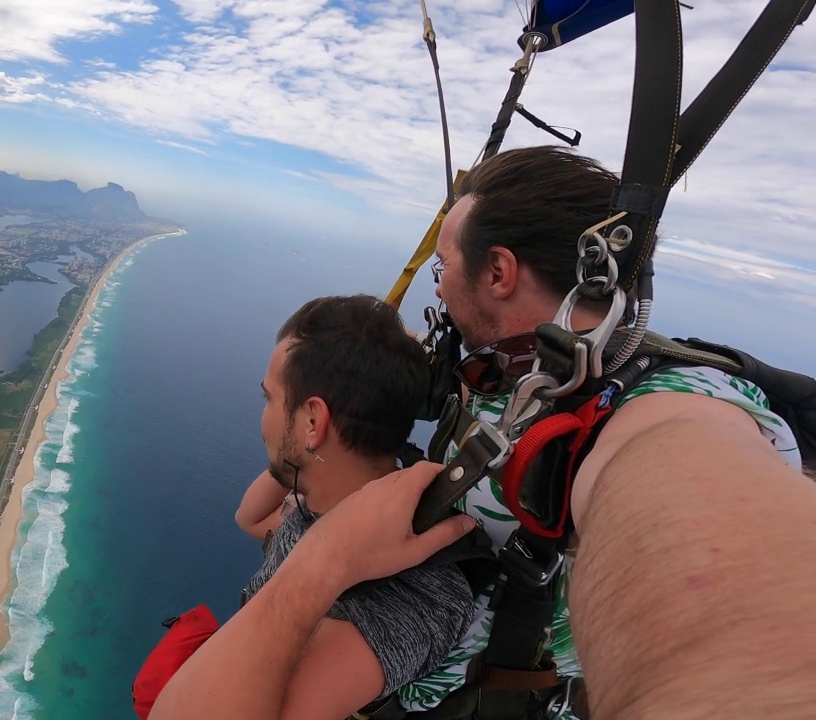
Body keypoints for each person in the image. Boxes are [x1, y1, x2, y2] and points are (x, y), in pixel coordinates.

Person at [147, 146, 816, 720]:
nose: (437, 291)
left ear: (497, 272)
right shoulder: (510, 368)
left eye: (442, 267)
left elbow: (741, 627)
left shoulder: (669, 413)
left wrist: (330, 555)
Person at [160, 295, 475, 719]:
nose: (263, 417)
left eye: (269, 399)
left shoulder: (415, 597)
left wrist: (326, 557)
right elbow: (248, 517)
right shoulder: (309, 506)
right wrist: (301, 451)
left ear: (313, 421)